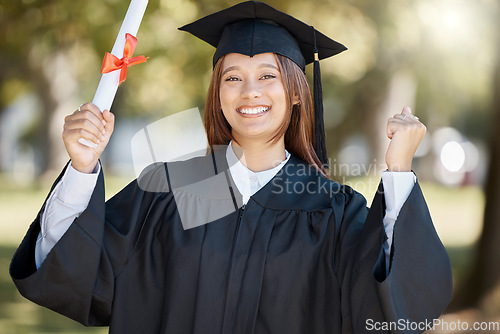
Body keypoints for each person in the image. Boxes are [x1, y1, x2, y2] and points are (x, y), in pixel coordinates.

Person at [10, 1, 452, 333]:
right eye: (233, 76)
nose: (249, 92)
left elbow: (401, 310)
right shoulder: (165, 191)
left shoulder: (335, 213)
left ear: (297, 92)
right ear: (217, 94)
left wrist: (397, 173)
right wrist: (82, 169)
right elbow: (71, 275)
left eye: (268, 76)